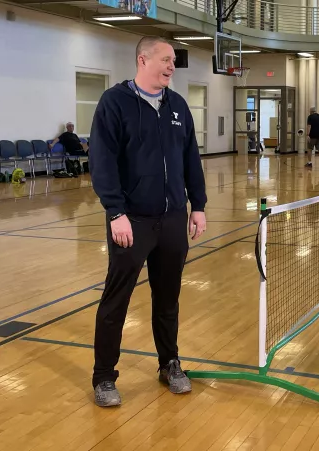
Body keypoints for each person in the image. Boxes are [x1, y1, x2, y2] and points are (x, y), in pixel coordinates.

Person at [88, 36, 207, 407]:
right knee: (116, 300)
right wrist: (115, 212)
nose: (172, 66)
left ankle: (169, 363)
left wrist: (198, 205)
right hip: (132, 220)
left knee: (168, 297)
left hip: (172, 219)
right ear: (143, 59)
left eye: (173, 61)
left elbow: (191, 159)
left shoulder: (177, 106)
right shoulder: (114, 103)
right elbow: (102, 162)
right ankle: (104, 377)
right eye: (166, 59)